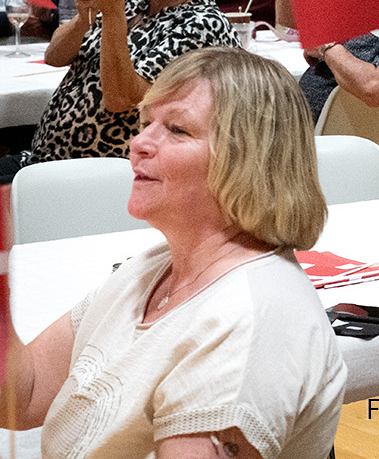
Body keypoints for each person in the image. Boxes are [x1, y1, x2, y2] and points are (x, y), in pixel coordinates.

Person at [0, 47, 346, 457]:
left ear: (249, 158)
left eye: (177, 130)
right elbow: (25, 397)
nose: (138, 142)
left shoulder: (246, 322)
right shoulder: (153, 268)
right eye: (145, 123)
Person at [23, 0, 237, 164]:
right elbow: (54, 57)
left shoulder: (202, 24)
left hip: (116, 171)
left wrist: (113, 14)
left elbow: (121, 99)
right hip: (48, 158)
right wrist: (84, 17)